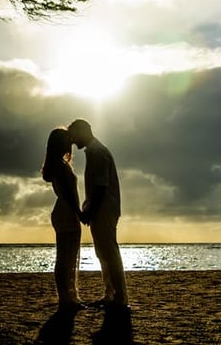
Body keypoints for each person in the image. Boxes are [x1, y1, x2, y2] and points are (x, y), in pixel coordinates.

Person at [67, 118, 129, 310]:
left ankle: (119, 297)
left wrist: (90, 212)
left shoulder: (97, 152)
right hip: (102, 209)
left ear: (84, 132)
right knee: (104, 253)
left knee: (109, 253)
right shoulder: (95, 151)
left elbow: (101, 187)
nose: (72, 141)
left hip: (104, 209)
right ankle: (110, 294)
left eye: (74, 135)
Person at [41, 127, 85, 312]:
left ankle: (67, 297)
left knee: (65, 257)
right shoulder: (61, 166)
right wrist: (79, 213)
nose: (71, 142)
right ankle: (67, 298)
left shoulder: (57, 165)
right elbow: (69, 194)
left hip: (62, 212)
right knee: (67, 257)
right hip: (67, 212)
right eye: (68, 139)